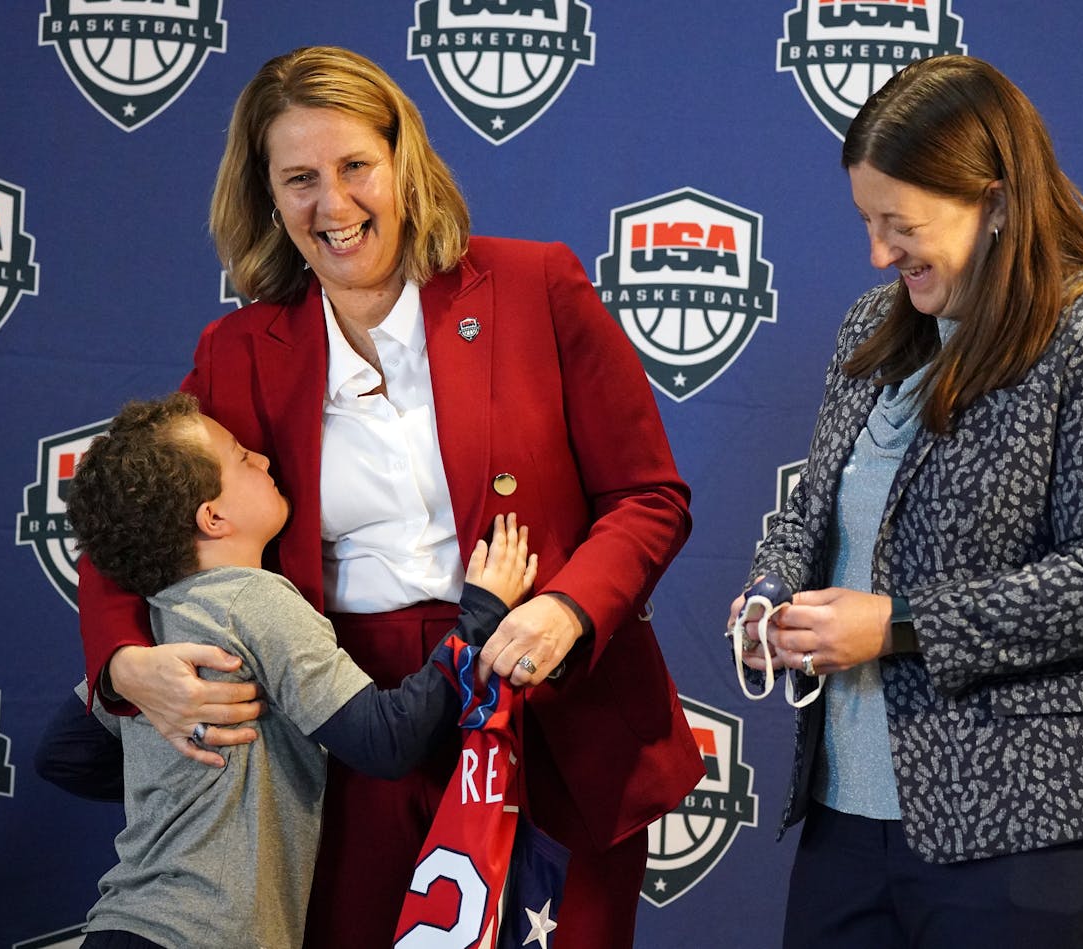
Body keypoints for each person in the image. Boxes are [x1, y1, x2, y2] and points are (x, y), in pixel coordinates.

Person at [75, 46, 703, 949]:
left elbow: (649, 495)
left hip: (545, 704)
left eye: (354, 166)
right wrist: (123, 667)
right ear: (266, 196)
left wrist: (569, 607)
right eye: (298, 179)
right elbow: (125, 519)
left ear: (404, 160)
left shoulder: (536, 285)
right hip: (352, 726)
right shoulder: (243, 348)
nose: (332, 206)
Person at [728, 55, 1083, 949]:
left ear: (992, 202)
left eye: (900, 223)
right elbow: (814, 510)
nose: (877, 251)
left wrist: (898, 624)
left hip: (1035, 833)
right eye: (867, 220)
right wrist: (771, 591)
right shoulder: (873, 325)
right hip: (846, 817)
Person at [40, 391, 535, 949]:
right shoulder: (253, 601)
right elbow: (385, 742)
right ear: (213, 516)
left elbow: (63, 754)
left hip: (119, 924)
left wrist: (196, 784)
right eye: (242, 458)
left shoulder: (153, 640)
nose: (266, 461)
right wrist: (482, 615)